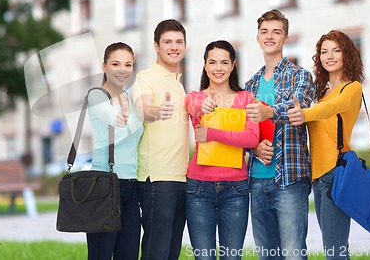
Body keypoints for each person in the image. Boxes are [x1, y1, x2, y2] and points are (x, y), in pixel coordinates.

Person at [245, 9, 315, 260]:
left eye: (276, 31)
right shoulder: (250, 85)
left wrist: (269, 111)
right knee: (267, 255)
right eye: (264, 31)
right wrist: (252, 149)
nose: (269, 36)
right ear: (258, 38)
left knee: (293, 254)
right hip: (256, 179)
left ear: (286, 38)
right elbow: (242, 130)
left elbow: (300, 105)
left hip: (290, 180)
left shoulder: (301, 76)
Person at [287, 30, 363, 260]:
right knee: (334, 248)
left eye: (336, 50)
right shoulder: (320, 92)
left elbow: (331, 108)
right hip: (318, 176)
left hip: (335, 173)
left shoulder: (351, 88)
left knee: (335, 251)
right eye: (324, 51)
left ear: (346, 54)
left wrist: (305, 113)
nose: (329, 56)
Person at [184, 40, 259, 260]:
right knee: (204, 257)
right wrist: (202, 106)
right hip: (199, 188)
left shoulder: (246, 99)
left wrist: (213, 134)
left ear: (233, 65)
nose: (218, 68)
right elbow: (193, 106)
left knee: (232, 257)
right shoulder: (196, 98)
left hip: (236, 189)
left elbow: (251, 138)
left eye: (224, 62)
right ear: (205, 66)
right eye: (213, 62)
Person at [131, 19, 190, 260]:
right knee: (156, 252)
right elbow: (143, 109)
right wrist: (157, 112)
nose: (174, 47)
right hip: (157, 179)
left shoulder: (179, 84)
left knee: (171, 252)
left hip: (181, 178)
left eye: (179, 42)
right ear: (156, 46)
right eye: (167, 42)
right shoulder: (145, 78)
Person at [86, 42, 144, 260]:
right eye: (116, 64)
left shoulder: (131, 98)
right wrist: (139, 116)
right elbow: (116, 122)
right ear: (104, 66)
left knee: (128, 254)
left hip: (131, 186)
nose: (123, 69)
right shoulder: (97, 96)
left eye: (128, 64)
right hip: (104, 185)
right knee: (100, 255)